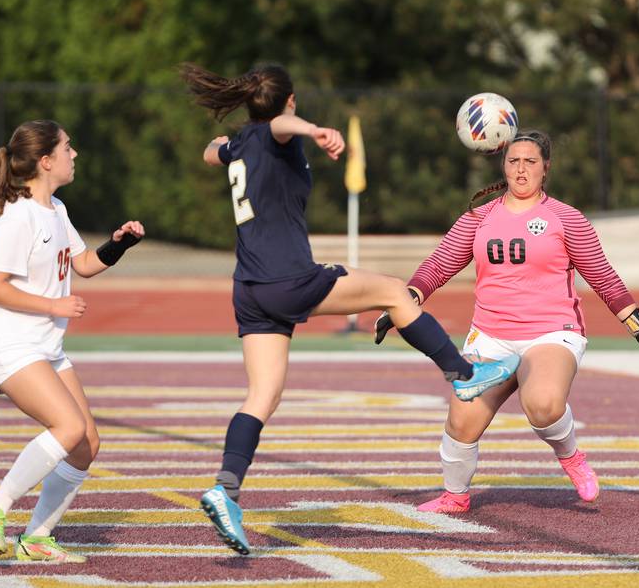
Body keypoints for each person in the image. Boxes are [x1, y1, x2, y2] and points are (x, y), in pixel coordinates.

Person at [179, 62, 520, 555]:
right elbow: (277, 125)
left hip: (250, 287)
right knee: (393, 291)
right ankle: (463, 372)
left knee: (263, 394)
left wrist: (239, 141)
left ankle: (226, 488)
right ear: (290, 101)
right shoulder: (276, 132)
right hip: (286, 278)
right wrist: (312, 129)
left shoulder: (241, 143)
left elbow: (210, 151)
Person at [375, 129, 639, 513]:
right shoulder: (479, 217)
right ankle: (455, 496)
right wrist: (403, 304)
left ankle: (571, 457)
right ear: (503, 165)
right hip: (490, 336)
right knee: (462, 421)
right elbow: (439, 265)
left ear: (545, 168)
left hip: (551, 332)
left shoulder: (565, 218)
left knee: (543, 404)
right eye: (513, 161)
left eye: (530, 162)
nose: (521, 170)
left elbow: (602, 276)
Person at [0, 119, 144, 561]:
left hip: (42, 345)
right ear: (46, 161)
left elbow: (82, 263)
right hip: (6, 343)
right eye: (68, 148)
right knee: (67, 428)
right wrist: (54, 306)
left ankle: (39, 535)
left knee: (88, 444)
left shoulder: (56, 210)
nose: (75, 154)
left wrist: (117, 245)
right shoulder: (18, 215)